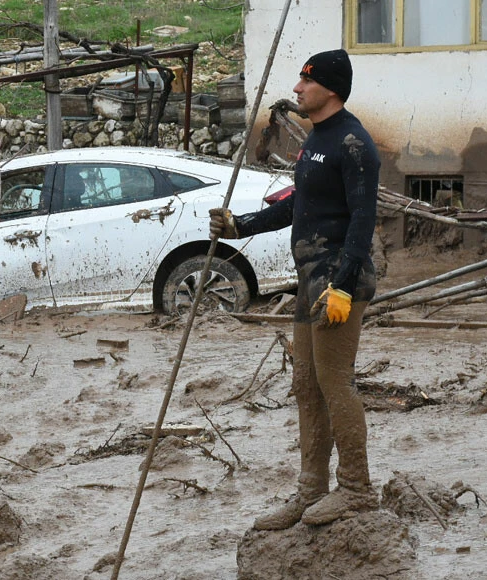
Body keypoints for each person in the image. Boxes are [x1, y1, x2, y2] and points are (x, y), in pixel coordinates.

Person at [209, 49, 381, 530]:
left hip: (338, 281)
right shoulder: (315, 140)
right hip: (308, 278)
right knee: (306, 384)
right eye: (300, 80)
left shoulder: (353, 143)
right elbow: (295, 205)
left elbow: (363, 222)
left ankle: (357, 491)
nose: (298, 89)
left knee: (334, 382)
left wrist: (344, 285)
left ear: (330, 88)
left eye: (307, 82)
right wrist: (239, 226)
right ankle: (310, 490)